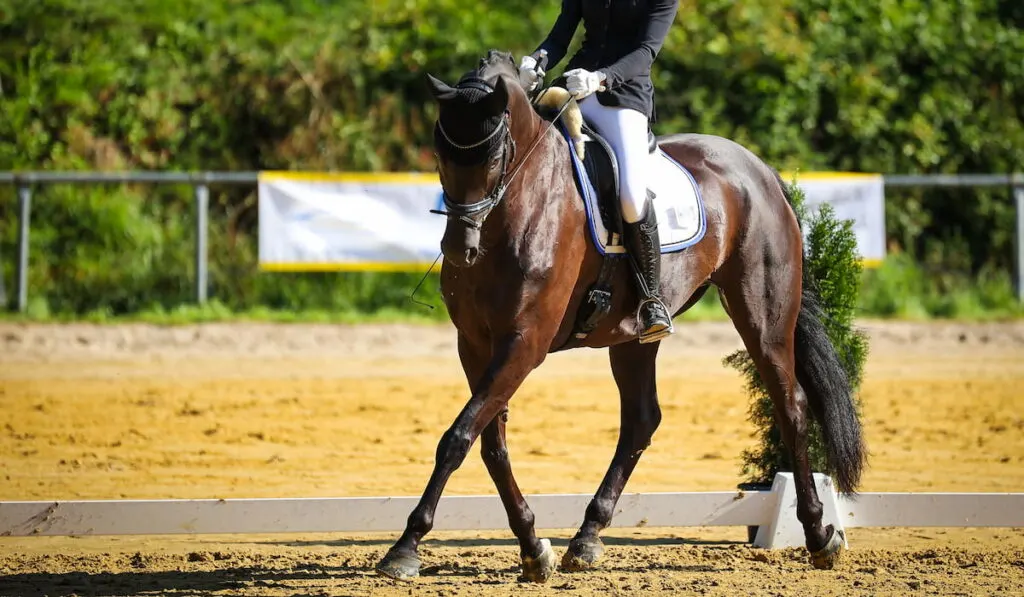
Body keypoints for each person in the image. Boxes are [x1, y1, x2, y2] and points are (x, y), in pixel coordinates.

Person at [519, 0, 680, 344]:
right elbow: (561, 34)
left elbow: (646, 51)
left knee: (632, 197)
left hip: (622, 96)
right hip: (570, 89)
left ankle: (650, 300)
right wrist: (537, 61)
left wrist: (602, 78)